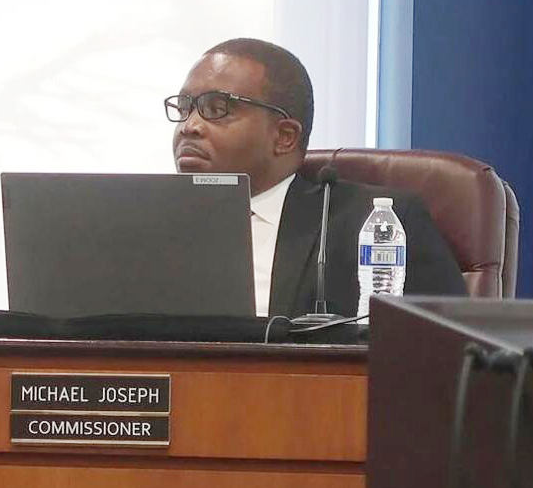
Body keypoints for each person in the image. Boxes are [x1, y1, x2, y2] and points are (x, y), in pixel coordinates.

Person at [166, 38, 466, 318]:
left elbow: (450, 344)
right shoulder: (154, 223)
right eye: (184, 108)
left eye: (216, 109)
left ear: (284, 136)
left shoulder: (375, 223)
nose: (189, 126)